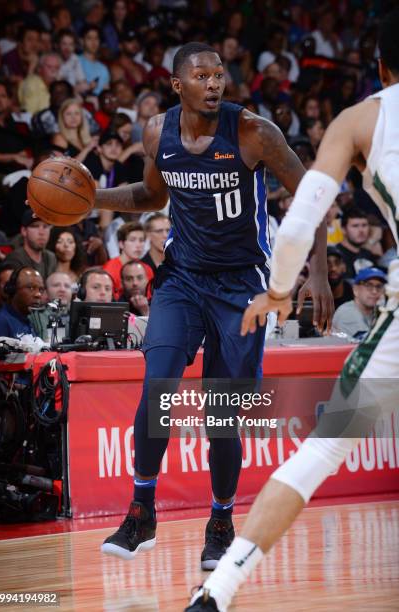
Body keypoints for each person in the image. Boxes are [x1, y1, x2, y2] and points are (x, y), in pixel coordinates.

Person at [186, 11, 399, 611]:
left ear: (380, 66)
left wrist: (279, 290)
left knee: (326, 446)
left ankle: (218, 592)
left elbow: (300, 221)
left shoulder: (362, 118)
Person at [92, 42, 331, 568]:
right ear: (178, 84)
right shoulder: (157, 131)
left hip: (241, 285)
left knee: (223, 416)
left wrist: (318, 270)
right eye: (202, 75)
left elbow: (312, 193)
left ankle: (221, 519)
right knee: (157, 388)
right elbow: (153, 197)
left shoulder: (252, 131)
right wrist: (94, 199)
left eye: (220, 74)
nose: (215, 83)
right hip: (182, 279)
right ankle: (141, 511)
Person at [332, 267, 386, 339]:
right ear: (355, 290)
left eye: (379, 286)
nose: (374, 291)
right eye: (369, 285)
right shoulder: (347, 312)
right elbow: (367, 344)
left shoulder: (376, 311)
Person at [0, 266, 44, 338]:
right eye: (31, 288)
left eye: (40, 289)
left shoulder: (28, 320)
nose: (38, 294)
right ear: (13, 289)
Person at [5, 210, 56, 280]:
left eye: (45, 226)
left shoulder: (51, 257)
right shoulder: (15, 259)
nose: (41, 232)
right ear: (24, 231)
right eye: (35, 226)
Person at [52, 98, 98, 163]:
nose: (73, 117)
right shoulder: (60, 138)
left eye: (77, 113)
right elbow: (65, 167)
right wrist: (87, 149)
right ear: (62, 117)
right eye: (68, 114)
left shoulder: (86, 138)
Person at [336, 207, 377, 278]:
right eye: (355, 226)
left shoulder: (368, 255)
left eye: (364, 225)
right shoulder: (335, 255)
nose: (361, 230)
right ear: (343, 229)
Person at [327, 246, 353, 310]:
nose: (333, 268)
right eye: (327, 263)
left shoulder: (354, 293)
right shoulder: (311, 294)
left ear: (344, 267)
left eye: (337, 263)